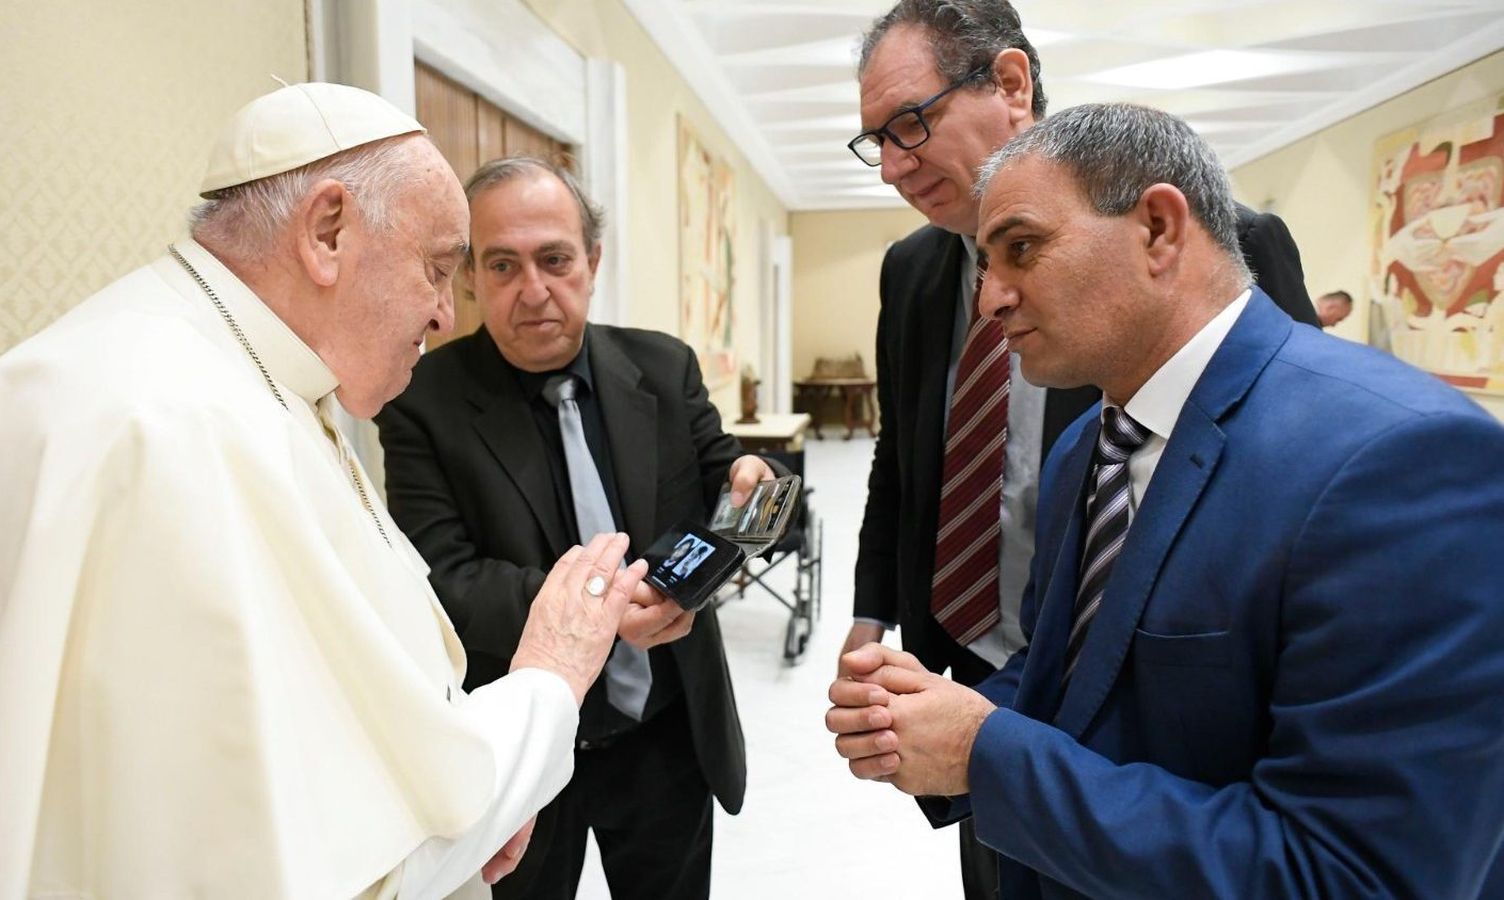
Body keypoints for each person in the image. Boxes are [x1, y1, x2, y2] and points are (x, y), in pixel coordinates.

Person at [0, 82, 654, 900]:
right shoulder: (173, 429)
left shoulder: (234, 373)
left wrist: (478, 802)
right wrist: (549, 677)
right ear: (328, 231)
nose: (446, 314)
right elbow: (328, 860)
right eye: (440, 269)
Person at [827, 102, 1504, 899]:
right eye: (985, 265)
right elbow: (1065, 685)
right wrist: (930, 716)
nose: (991, 300)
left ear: (1157, 228)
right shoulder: (1091, 444)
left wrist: (985, 752)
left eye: (1022, 249)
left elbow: (1354, 874)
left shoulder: (1402, 458)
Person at [840, 3, 1320, 893]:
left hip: (1152, 676)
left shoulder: (1228, 245)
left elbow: (1287, 461)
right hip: (980, 666)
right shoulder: (910, 271)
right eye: (877, 141)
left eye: (913, 122)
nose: (896, 165)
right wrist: (877, 614)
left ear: (1012, 85)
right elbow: (902, 456)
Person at [375, 156, 778, 900]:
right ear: (469, 279)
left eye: (555, 260)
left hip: (664, 731)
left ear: (592, 261)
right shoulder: (422, 401)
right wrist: (602, 613)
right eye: (503, 265)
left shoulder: (664, 366)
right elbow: (444, 582)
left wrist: (752, 482)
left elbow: (727, 485)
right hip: (520, 746)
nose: (534, 292)